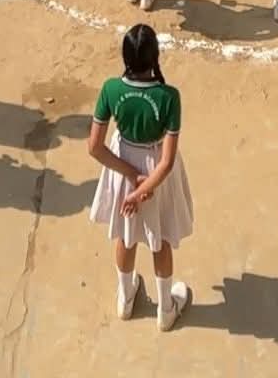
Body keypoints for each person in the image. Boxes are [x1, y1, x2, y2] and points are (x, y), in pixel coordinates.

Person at [87, 23, 194, 331]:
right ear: (154, 57)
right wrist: (144, 188)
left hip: (123, 165)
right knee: (159, 240)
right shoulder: (169, 96)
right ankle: (166, 308)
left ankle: (125, 297)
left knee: (125, 235)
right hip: (156, 170)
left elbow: (94, 147)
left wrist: (131, 179)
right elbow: (168, 161)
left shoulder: (110, 89)